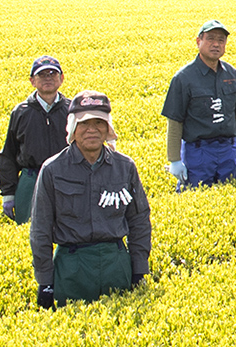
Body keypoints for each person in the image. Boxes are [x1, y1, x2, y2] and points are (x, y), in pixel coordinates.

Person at [30, 92, 152, 308]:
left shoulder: (125, 167)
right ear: (73, 128)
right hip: (72, 267)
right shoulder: (53, 169)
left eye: (99, 122)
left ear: (108, 128)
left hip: (116, 264)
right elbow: (41, 228)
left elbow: (139, 220)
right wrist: (45, 282)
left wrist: (139, 269)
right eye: (84, 123)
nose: (92, 130)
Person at [162, 20, 236, 189]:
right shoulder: (184, 78)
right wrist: (174, 160)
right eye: (210, 39)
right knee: (195, 195)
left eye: (221, 40)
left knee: (229, 195)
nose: (216, 44)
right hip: (198, 152)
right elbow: (175, 121)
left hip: (228, 149)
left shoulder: (231, 73)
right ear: (198, 41)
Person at [0, 55, 70, 225]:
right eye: (42, 75)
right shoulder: (21, 112)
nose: (48, 78)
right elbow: (9, 154)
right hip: (31, 180)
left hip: (67, 179)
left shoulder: (72, 110)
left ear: (61, 79)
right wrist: (8, 194)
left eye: (52, 74)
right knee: (30, 230)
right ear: (32, 81)